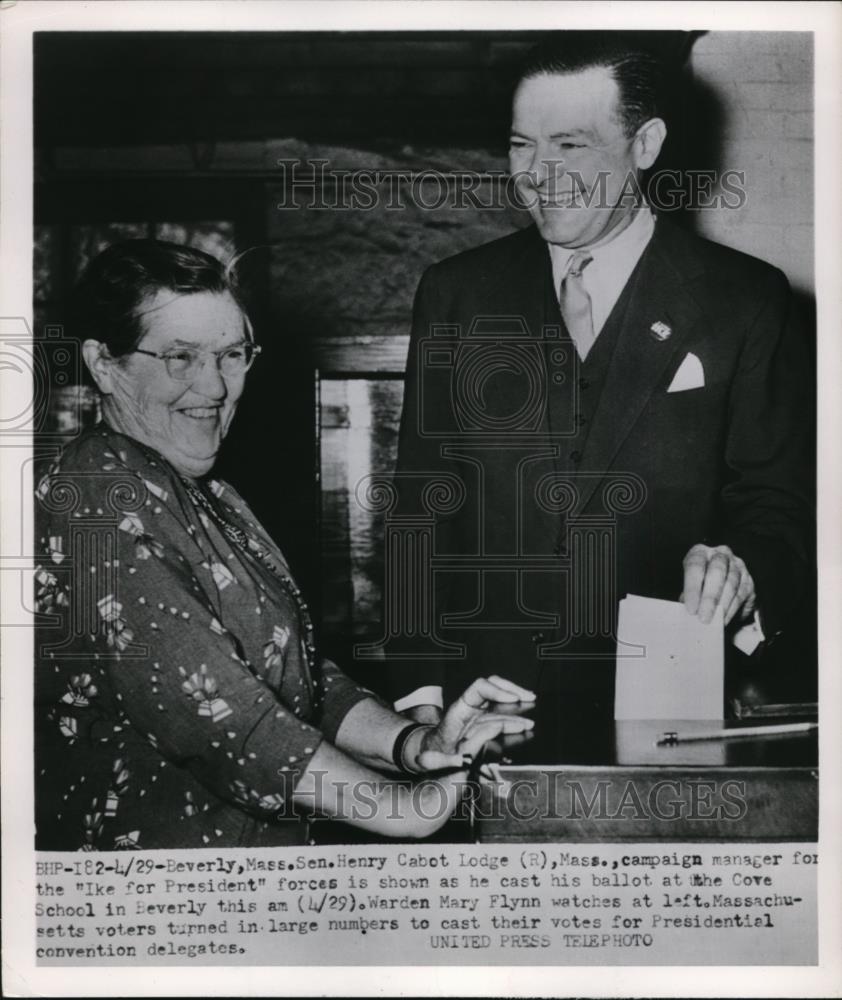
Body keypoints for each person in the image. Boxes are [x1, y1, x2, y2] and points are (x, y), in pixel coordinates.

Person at [33, 239, 534, 850]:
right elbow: (226, 718)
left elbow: (291, 676)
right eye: (181, 358)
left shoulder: (204, 491)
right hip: (157, 902)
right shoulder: (99, 492)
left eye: (231, 355)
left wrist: (416, 746)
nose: (215, 386)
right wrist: (408, 810)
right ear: (103, 363)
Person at [387, 33, 813, 726]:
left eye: (571, 146)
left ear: (645, 146)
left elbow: (778, 509)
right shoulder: (456, 294)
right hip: (484, 707)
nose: (538, 173)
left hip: (676, 702)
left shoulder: (748, 300)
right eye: (522, 144)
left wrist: (744, 567)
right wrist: (420, 695)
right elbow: (420, 508)